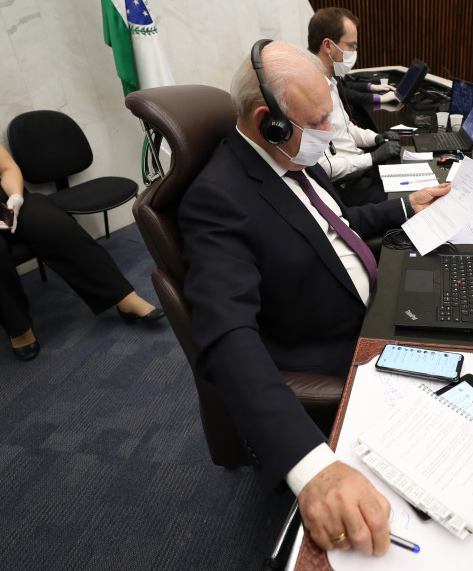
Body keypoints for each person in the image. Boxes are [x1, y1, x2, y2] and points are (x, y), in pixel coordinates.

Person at [178, 40, 450, 557]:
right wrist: (313, 469)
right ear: (269, 120)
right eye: (319, 120)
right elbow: (226, 340)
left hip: (371, 309)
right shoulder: (218, 200)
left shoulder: (289, 155)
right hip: (337, 349)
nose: (330, 131)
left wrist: (407, 206)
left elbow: (335, 225)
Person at [0, 144, 164, 362]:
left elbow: (6, 168)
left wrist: (15, 199)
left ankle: (123, 297)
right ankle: (18, 328)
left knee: (52, 223)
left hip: (7, 199)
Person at [308, 7, 402, 206]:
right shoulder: (311, 92)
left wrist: (376, 138)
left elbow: (346, 128)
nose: (354, 52)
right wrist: (374, 157)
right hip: (347, 188)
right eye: (351, 46)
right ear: (328, 45)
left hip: (360, 173)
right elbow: (326, 168)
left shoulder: (331, 82)